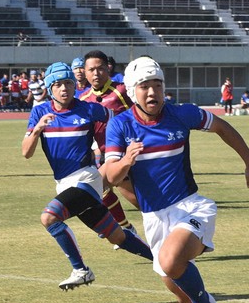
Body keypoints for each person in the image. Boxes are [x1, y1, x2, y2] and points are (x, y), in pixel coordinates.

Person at [103, 56, 249, 303]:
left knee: (171, 262)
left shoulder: (182, 114)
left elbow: (222, 127)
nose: (152, 92)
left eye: (158, 85)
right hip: (154, 217)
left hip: (191, 207)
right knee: (181, 294)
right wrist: (126, 160)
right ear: (131, 91)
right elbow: (112, 177)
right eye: (144, 86)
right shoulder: (120, 125)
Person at [21, 62, 153, 291]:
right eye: (58, 84)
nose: (64, 89)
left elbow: (122, 119)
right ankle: (161, 259)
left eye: (68, 83)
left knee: (49, 218)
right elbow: (26, 152)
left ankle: (80, 270)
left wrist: (125, 145)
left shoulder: (89, 109)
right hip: (64, 184)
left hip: (87, 179)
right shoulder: (39, 112)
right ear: (50, 88)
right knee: (117, 237)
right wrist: (38, 129)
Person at [79, 50, 139, 237]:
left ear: (108, 68)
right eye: (91, 70)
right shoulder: (84, 99)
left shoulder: (122, 91)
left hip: (130, 152)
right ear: (85, 72)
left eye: (100, 68)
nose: (96, 73)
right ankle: (125, 228)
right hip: (106, 155)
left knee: (144, 204)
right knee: (98, 186)